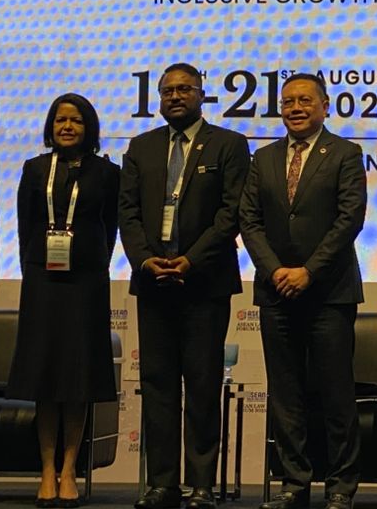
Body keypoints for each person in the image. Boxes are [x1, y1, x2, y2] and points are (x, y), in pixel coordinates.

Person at [119, 63, 251, 509]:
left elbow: (231, 213)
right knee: (157, 385)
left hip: (205, 284)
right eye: (167, 91)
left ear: (201, 94)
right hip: (153, 283)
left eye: (184, 89)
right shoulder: (141, 147)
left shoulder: (229, 144)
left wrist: (190, 260)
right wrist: (144, 259)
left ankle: (201, 485)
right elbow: (127, 212)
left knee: (202, 385)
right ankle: (162, 484)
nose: (175, 97)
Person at [239, 73, 366, 509]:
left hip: (329, 292)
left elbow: (349, 219)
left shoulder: (346, 153)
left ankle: (341, 486)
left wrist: (309, 271)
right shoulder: (263, 157)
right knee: (285, 395)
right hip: (276, 292)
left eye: (305, 100)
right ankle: (294, 483)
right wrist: (275, 270)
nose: (295, 108)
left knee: (335, 394)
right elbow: (249, 220)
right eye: (288, 101)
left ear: (325, 106)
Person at [6, 93, 119, 508]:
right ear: (50, 127)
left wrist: (93, 262)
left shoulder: (108, 172)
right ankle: (46, 469)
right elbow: (25, 225)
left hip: (87, 282)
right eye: (60, 120)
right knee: (46, 375)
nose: (67, 127)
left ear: (89, 127)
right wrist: (35, 266)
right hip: (43, 281)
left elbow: (111, 228)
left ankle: (70, 469)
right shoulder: (35, 168)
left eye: (75, 121)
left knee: (78, 377)